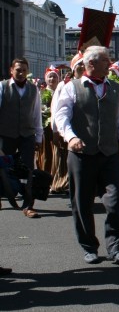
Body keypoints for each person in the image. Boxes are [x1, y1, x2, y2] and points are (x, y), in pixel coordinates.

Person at [54, 46, 119, 266]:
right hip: (81, 154)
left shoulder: (116, 89)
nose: (109, 64)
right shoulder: (72, 88)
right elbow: (61, 117)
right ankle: (89, 247)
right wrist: (70, 137)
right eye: (105, 61)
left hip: (109, 153)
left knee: (115, 201)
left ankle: (116, 248)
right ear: (91, 64)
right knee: (82, 202)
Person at [0, 58, 43, 219]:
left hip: (27, 134)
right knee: (3, 168)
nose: (21, 73)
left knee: (28, 170)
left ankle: (28, 205)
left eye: (24, 70)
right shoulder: (2, 87)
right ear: (11, 70)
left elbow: (36, 114)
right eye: (18, 70)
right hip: (6, 134)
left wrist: (38, 136)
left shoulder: (33, 89)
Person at [50, 52, 84, 194]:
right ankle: (63, 183)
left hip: (82, 130)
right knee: (64, 159)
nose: (82, 66)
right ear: (73, 68)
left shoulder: (89, 84)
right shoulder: (64, 85)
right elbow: (56, 109)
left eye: (84, 63)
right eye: (79, 64)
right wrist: (55, 130)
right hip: (67, 129)